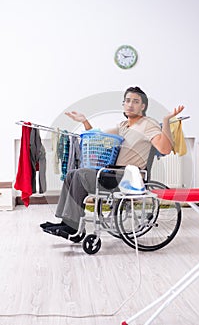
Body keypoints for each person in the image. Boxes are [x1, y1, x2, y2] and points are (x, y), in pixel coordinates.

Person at [41, 86, 184, 241]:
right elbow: (97, 136)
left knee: (80, 174)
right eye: (127, 101)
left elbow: (165, 148)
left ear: (143, 106)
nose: (130, 104)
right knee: (71, 174)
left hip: (128, 178)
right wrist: (85, 121)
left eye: (135, 102)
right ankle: (67, 222)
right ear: (123, 104)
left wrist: (165, 121)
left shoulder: (148, 124)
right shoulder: (123, 126)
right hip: (113, 174)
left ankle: (73, 226)